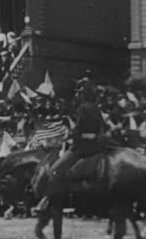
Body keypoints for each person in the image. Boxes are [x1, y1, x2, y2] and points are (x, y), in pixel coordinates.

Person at [36, 81, 105, 211]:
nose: (77, 95)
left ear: (83, 94)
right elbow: (101, 127)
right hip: (96, 145)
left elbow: (78, 129)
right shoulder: (96, 108)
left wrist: (70, 136)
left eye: (79, 93)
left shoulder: (82, 108)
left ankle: (50, 201)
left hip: (82, 147)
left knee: (55, 171)